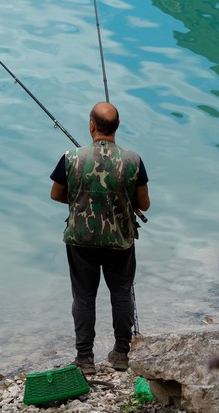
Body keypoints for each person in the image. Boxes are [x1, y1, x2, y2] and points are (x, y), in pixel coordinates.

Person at [49, 101, 150, 375]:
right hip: (120, 240)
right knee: (121, 293)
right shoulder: (133, 160)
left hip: (81, 240)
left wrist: (83, 199)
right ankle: (121, 354)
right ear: (117, 127)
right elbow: (145, 203)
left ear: (91, 125)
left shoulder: (71, 157)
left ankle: (84, 359)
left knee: (83, 297)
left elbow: (56, 194)